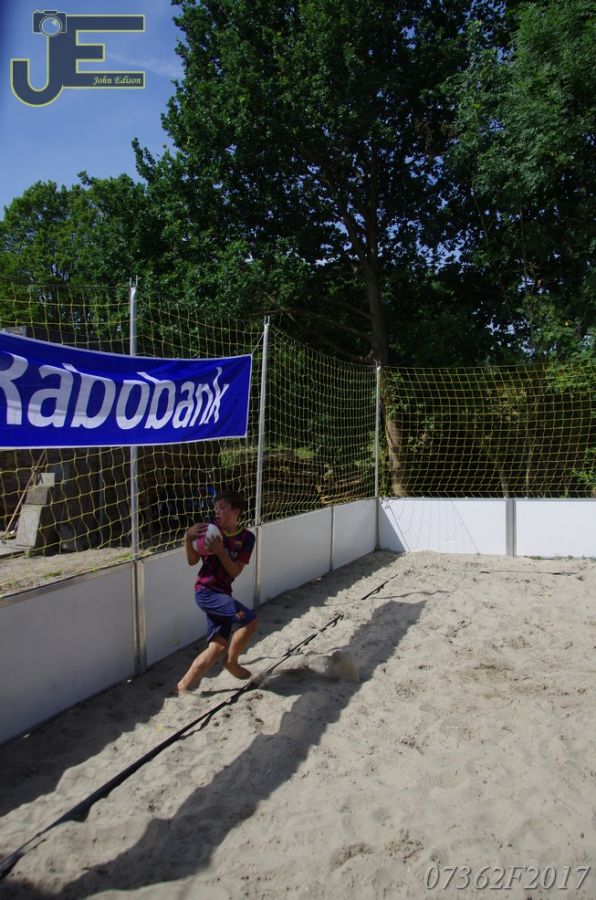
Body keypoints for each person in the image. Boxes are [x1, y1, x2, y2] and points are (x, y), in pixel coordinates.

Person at [177, 489, 258, 693]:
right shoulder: (208, 530)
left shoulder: (247, 538)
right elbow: (192, 561)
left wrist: (221, 552)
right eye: (216, 508)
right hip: (206, 591)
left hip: (222, 594)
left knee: (217, 647)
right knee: (250, 621)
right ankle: (231, 662)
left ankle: (182, 687)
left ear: (236, 512)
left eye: (222, 508)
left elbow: (235, 571)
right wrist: (187, 539)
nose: (217, 512)